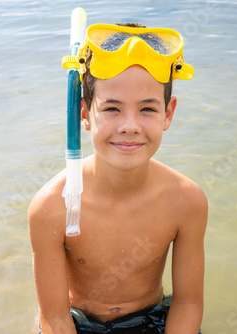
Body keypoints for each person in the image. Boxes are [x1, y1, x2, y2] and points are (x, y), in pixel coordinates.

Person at [28, 22, 207, 334]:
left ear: (168, 113)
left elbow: (187, 304)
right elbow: (55, 317)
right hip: (77, 324)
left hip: (152, 320)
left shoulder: (186, 201)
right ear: (84, 113)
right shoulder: (51, 207)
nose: (129, 125)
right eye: (111, 108)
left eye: (147, 109)